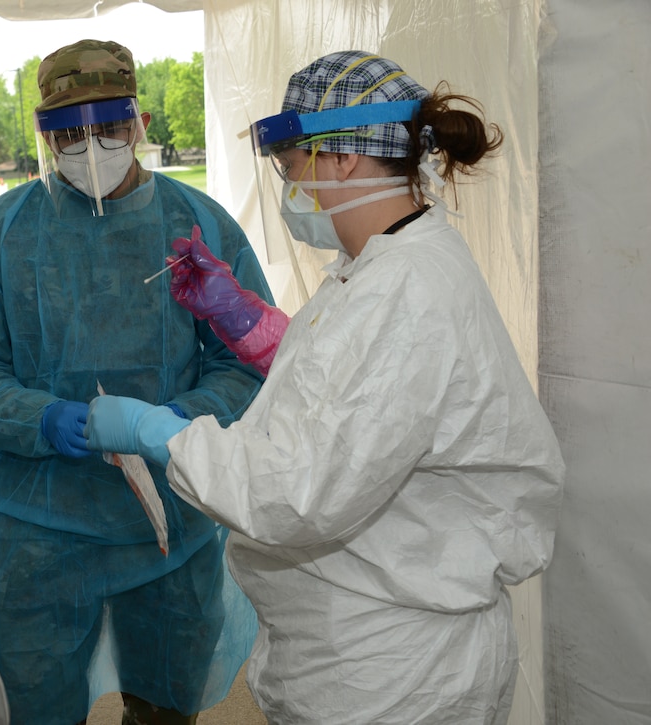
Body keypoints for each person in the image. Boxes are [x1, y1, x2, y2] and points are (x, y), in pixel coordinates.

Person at [85, 50, 565, 724]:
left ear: (342, 158)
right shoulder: (384, 264)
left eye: (291, 158)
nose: (289, 180)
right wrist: (247, 320)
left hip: (394, 675)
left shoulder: (406, 289)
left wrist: (157, 434)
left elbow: (295, 489)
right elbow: (360, 393)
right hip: (364, 644)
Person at [0, 39, 275, 725]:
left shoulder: (197, 227)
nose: (91, 148)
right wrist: (41, 418)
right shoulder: (2, 233)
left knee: (164, 704)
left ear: (139, 122)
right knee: (34, 704)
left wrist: (175, 421)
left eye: (109, 128)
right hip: (38, 532)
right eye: (69, 133)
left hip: (167, 528)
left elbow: (246, 357)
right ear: (44, 135)